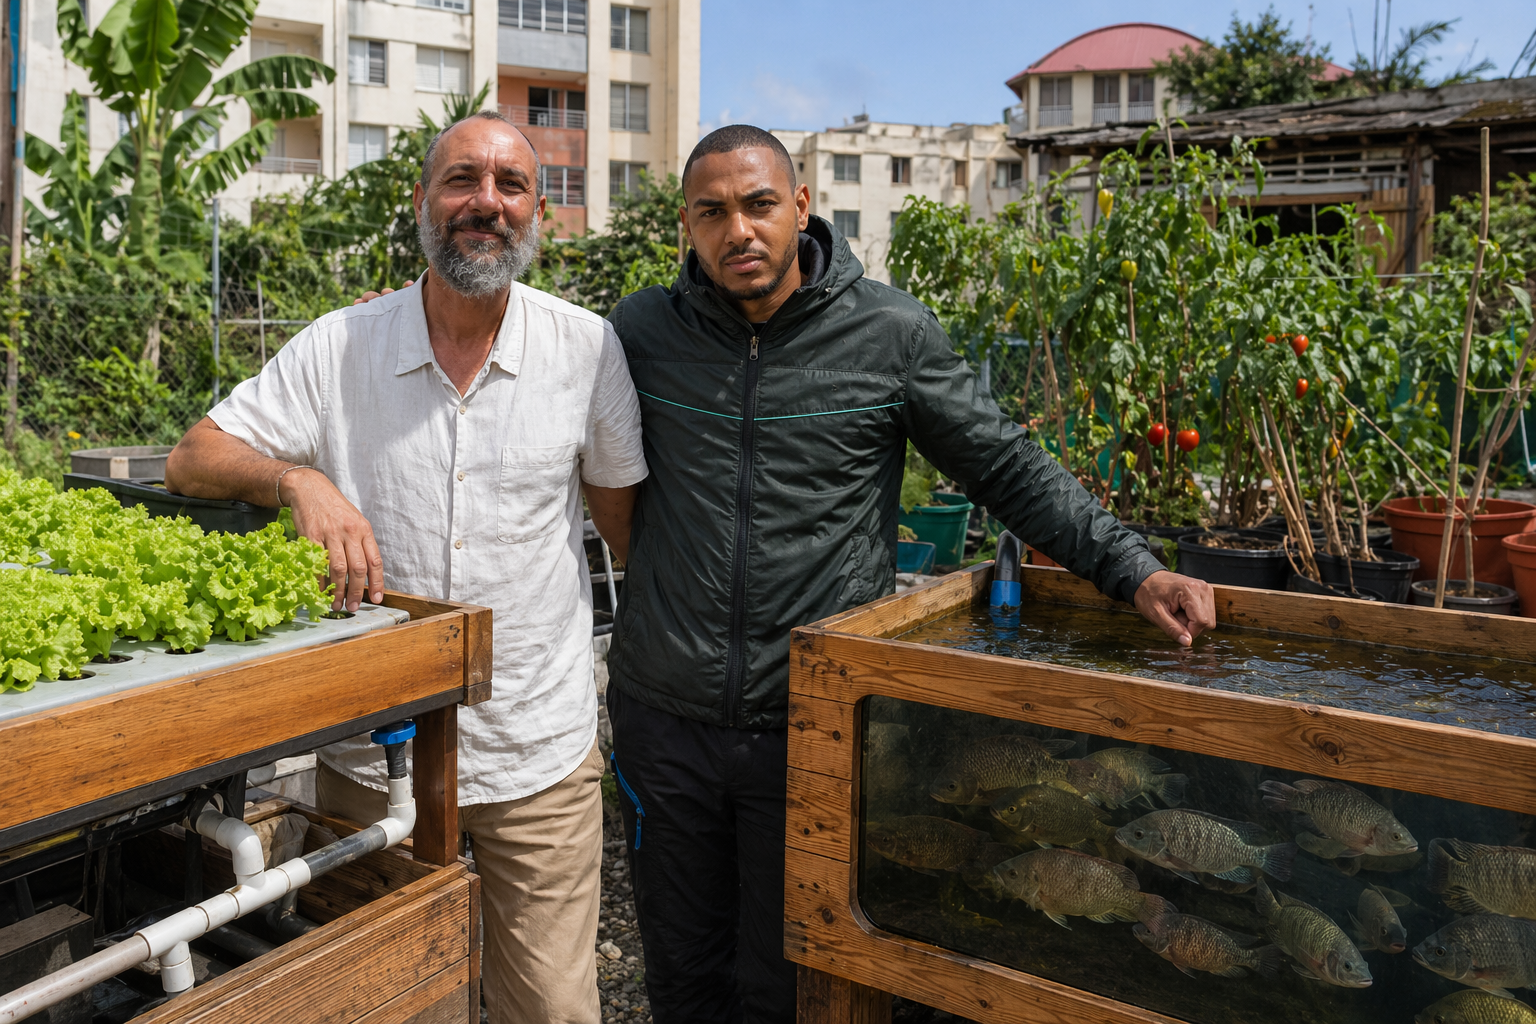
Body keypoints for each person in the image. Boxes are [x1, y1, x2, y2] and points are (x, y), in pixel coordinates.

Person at [601, 125, 1217, 1024]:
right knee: (681, 966)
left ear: (801, 207)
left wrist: (1131, 569)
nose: (739, 230)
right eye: (712, 212)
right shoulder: (643, 332)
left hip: (809, 717)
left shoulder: (887, 333)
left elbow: (1002, 466)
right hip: (665, 714)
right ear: (688, 226)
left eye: (759, 204)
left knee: (795, 967)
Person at [163, 111, 647, 1024]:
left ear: (537, 210)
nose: (486, 204)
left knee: (553, 1008)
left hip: (534, 757)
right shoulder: (341, 346)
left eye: (509, 185)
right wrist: (293, 477)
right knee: (389, 1003)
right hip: (366, 757)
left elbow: (627, 534)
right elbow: (193, 456)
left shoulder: (585, 349)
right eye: (462, 180)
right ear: (423, 200)